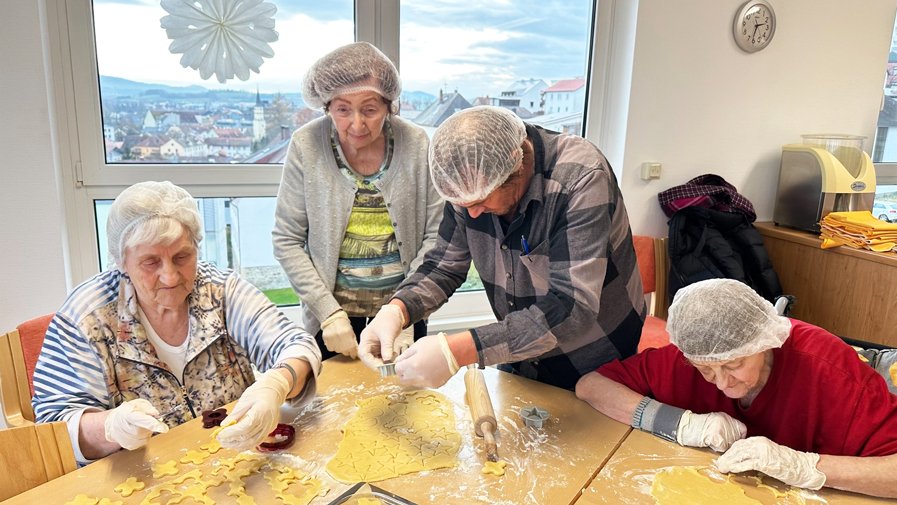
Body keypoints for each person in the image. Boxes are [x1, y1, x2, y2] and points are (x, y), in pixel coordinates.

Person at [31, 181, 322, 465]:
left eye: (182, 256)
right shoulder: (85, 318)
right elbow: (54, 428)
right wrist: (110, 427)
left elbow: (296, 344)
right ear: (121, 261)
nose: (170, 277)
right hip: (143, 481)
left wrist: (276, 384)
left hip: (235, 464)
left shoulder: (220, 291)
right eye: (150, 262)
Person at [359, 105, 645, 391]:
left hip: (596, 356)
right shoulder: (469, 179)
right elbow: (443, 265)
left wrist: (457, 350)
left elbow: (574, 308)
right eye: (463, 205)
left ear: (517, 165)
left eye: (480, 202)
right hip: (519, 352)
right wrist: (397, 309)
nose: (471, 214)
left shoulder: (581, 178)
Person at [575, 279, 897, 498]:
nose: (723, 383)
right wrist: (681, 424)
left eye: (734, 365)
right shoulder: (689, 355)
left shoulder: (828, 369)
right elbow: (591, 386)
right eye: (706, 370)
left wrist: (804, 467)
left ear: (764, 343)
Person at [273, 41, 442, 361]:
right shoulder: (306, 145)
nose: (356, 123)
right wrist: (327, 314)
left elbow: (436, 236)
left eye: (370, 109)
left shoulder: (417, 143)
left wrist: (408, 310)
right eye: (342, 109)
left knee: (406, 405)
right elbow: (287, 239)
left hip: (403, 313)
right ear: (326, 107)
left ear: (390, 105)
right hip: (333, 321)